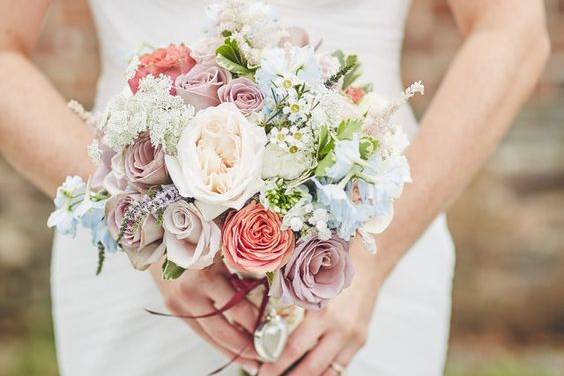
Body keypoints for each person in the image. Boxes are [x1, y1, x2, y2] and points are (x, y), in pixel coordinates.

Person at [0, 0, 549, 375]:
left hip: (372, 254)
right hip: (138, 276)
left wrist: (373, 264)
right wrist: (142, 223)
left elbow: (514, 32)